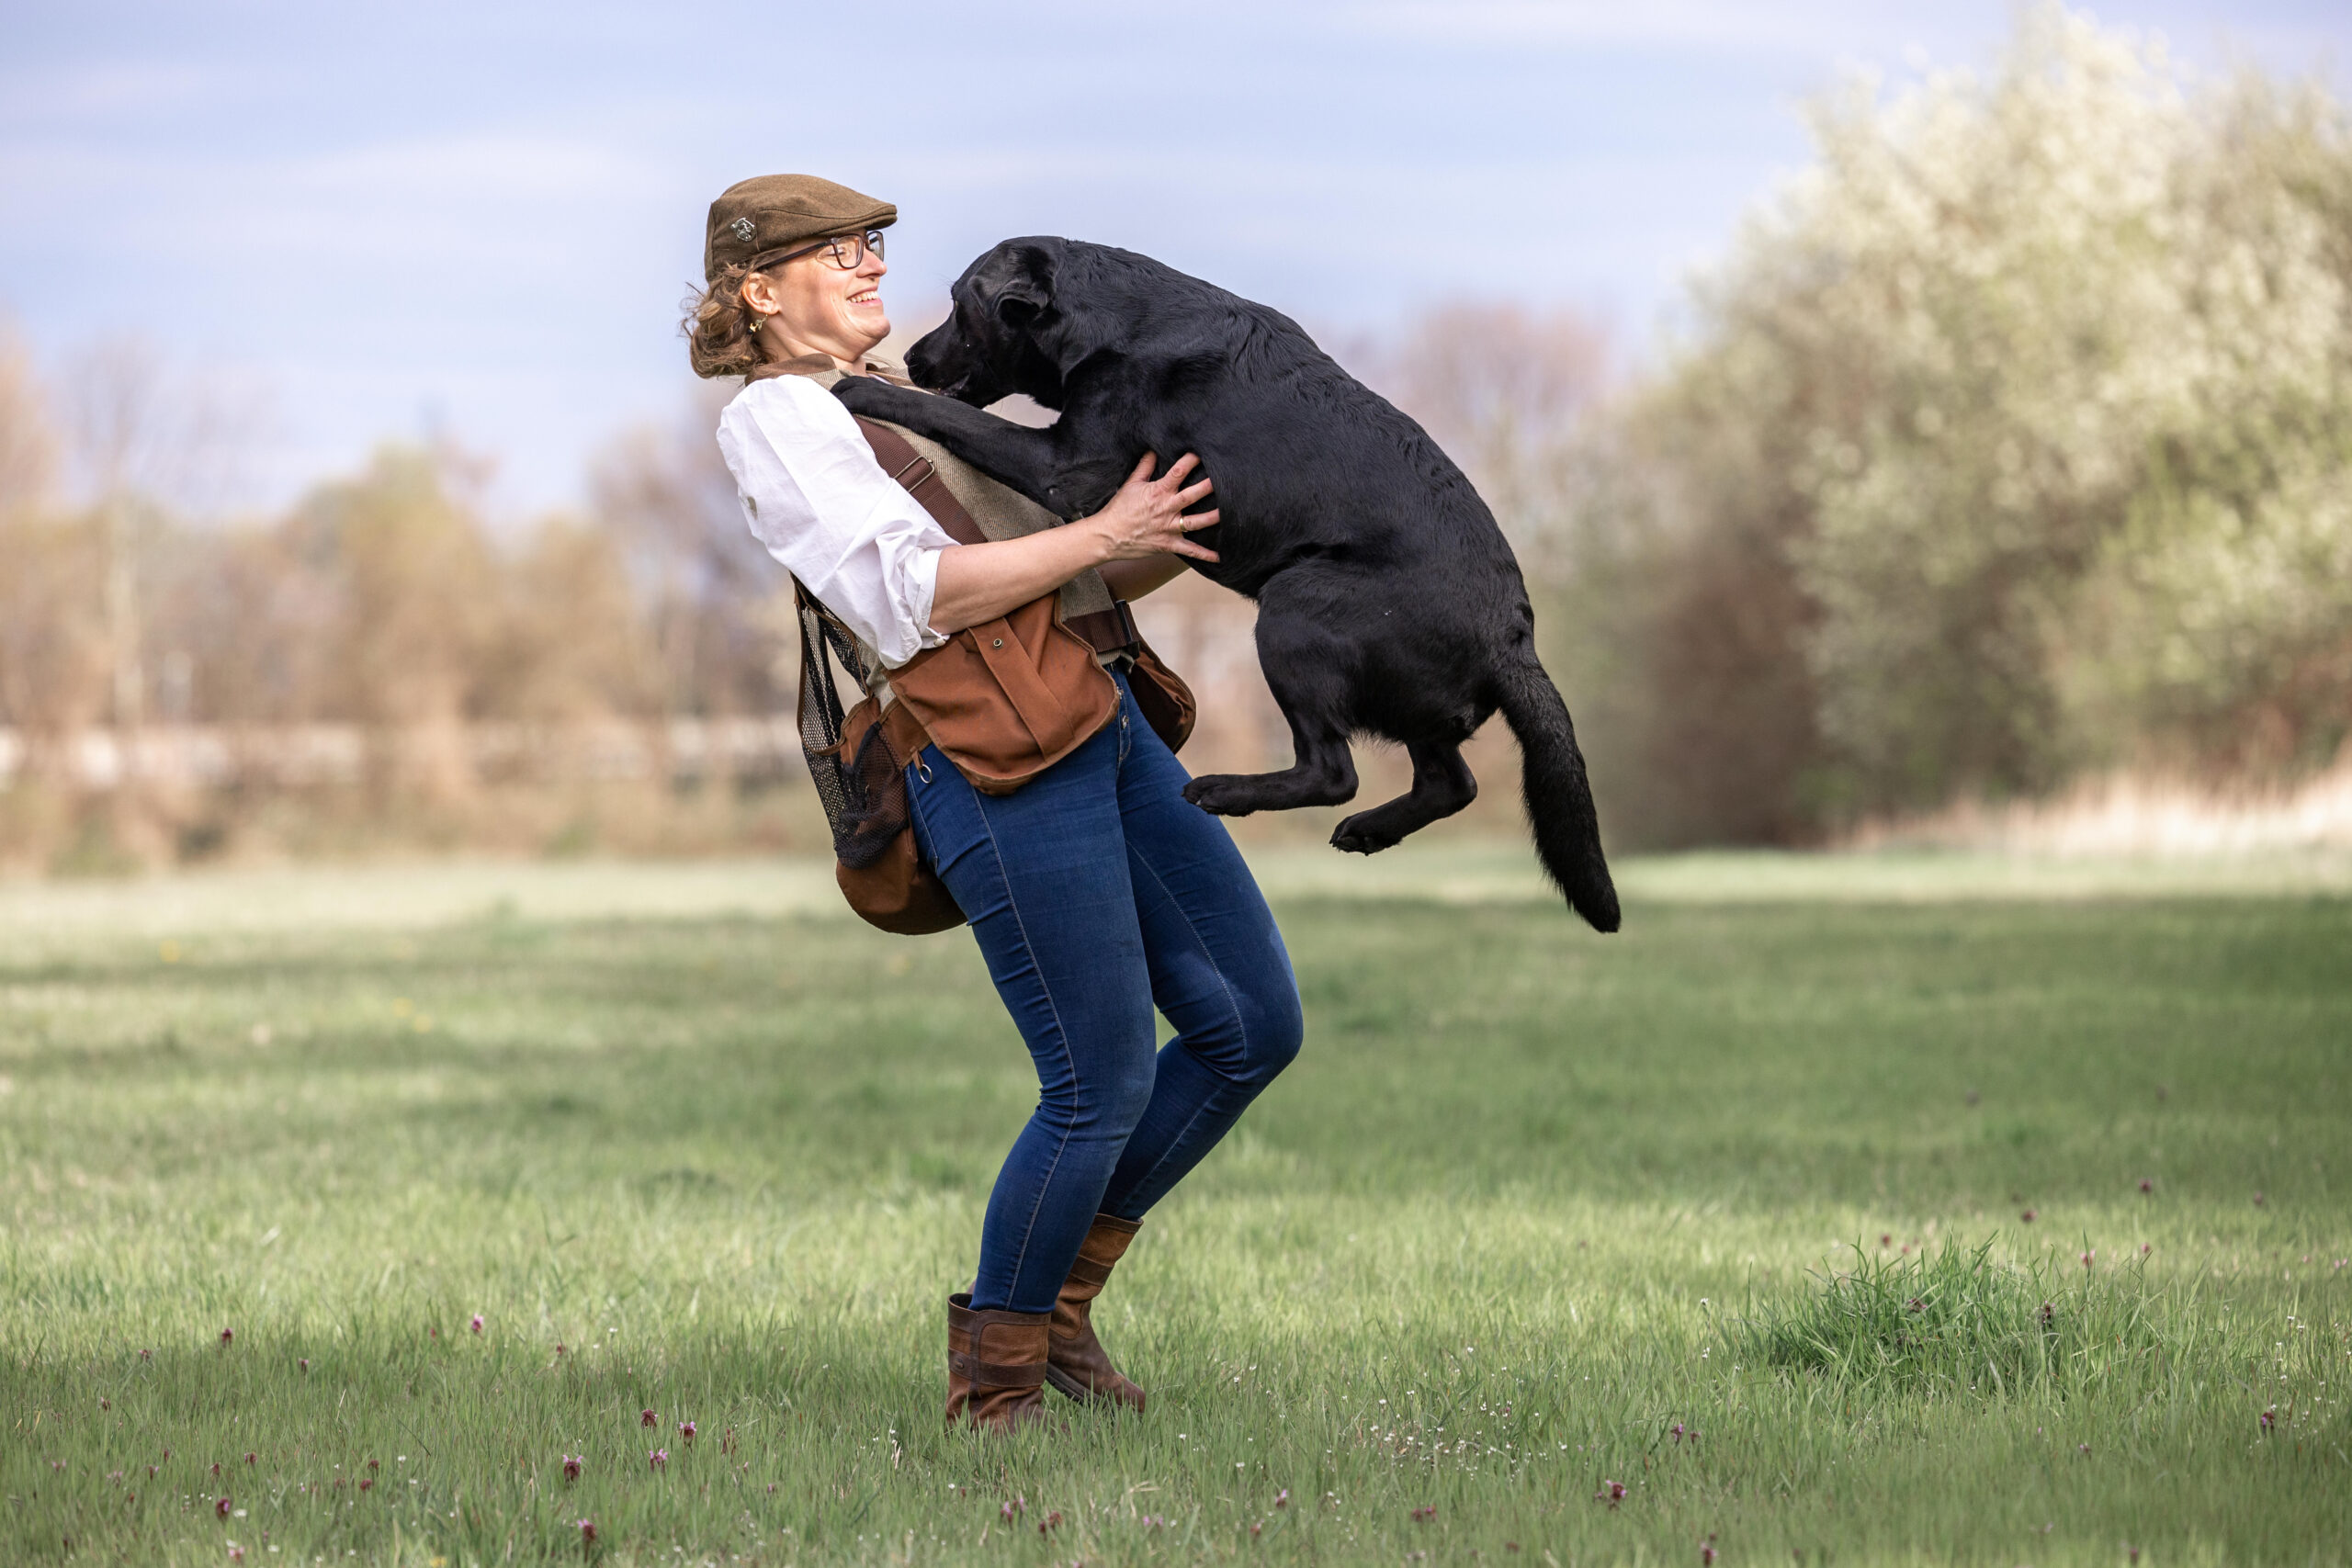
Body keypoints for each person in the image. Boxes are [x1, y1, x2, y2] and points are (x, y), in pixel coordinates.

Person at [687, 175, 1304, 1430]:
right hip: (990, 753)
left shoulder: (907, 395)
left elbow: (1077, 560)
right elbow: (911, 595)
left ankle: (1059, 1304)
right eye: (840, 251)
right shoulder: (778, 421)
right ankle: (997, 1386)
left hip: (1102, 710)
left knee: (1251, 1023)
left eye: (872, 246)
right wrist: (1097, 537)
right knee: (1097, 1079)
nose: (871, 265)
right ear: (758, 287)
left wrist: (1192, 507)